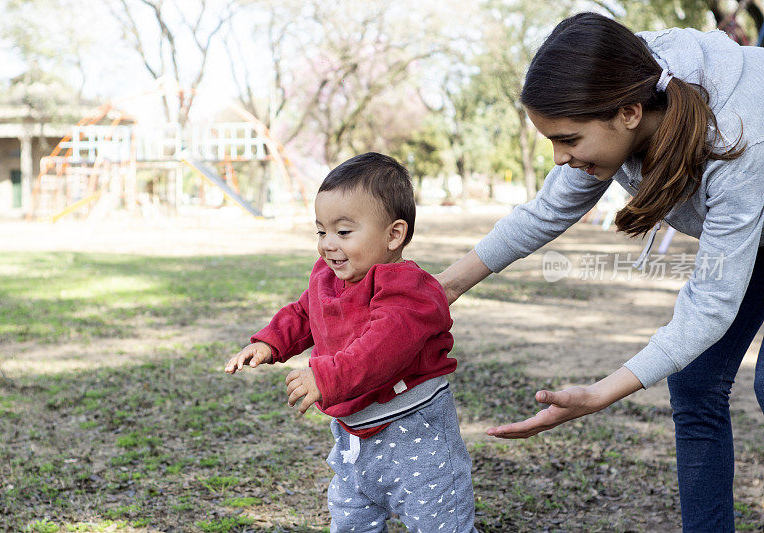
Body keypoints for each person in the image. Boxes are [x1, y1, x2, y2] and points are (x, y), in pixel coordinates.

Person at [436, 12, 764, 532]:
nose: (560, 157)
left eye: (568, 139)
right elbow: (544, 212)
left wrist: (599, 394)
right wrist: (440, 290)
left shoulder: (741, 136)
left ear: (630, 113)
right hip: (753, 228)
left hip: (757, 198)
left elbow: (710, 306)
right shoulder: (630, 87)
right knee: (696, 383)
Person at [226, 152, 478, 533]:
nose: (328, 244)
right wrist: (270, 343)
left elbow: (382, 349)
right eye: (321, 231)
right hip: (353, 436)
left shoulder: (411, 291)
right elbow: (306, 313)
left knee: (440, 524)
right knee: (351, 518)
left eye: (343, 232)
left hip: (415, 434)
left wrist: (323, 377)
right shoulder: (328, 279)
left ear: (394, 235)